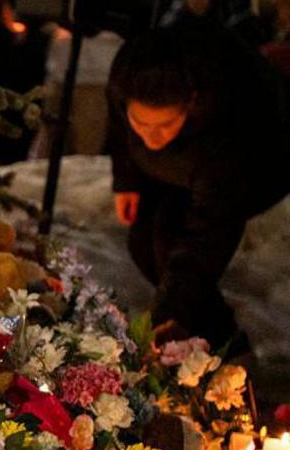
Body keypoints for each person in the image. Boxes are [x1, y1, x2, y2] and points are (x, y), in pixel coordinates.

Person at [107, 23, 289, 352]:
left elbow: (207, 238)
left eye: (164, 125)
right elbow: (119, 127)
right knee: (141, 241)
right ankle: (217, 332)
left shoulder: (229, 132)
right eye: (141, 123)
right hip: (182, 168)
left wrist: (165, 317)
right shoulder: (129, 77)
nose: (151, 137)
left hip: (261, 166)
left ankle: (215, 343)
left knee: (172, 240)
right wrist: (127, 179)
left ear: (191, 104)